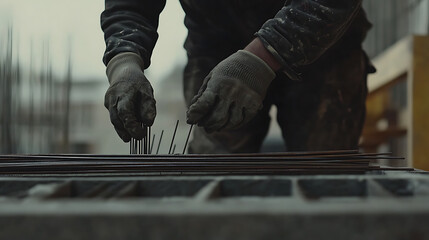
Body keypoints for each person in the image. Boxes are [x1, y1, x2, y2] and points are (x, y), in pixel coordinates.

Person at [101, 0, 375, 154]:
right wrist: (124, 62)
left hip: (322, 43)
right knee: (216, 170)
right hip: (216, 48)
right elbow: (130, 5)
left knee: (325, 173)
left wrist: (261, 58)